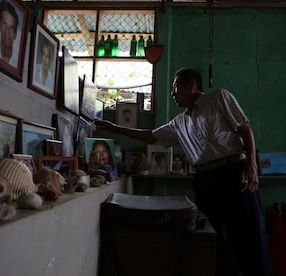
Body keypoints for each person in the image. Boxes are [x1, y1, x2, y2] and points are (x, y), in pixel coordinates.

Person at [95, 68, 273, 276]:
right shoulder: (180, 122)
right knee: (214, 242)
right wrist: (112, 127)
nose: (173, 93)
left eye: (176, 87)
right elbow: (151, 136)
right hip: (205, 181)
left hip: (234, 174)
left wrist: (251, 167)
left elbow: (245, 130)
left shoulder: (218, 98)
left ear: (191, 86)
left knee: (251, 239)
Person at [0, 0, 19, 67]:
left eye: (11, 27)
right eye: (4, 24)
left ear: (15, 34)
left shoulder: (17, 63)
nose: (7, 31)